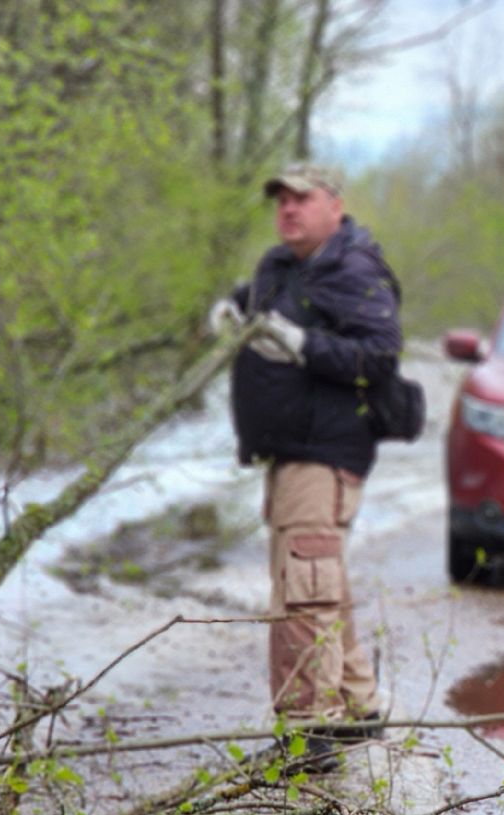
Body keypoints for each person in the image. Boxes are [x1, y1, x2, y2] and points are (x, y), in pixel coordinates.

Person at [207, 162, 402, 762]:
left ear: (334, 206)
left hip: (326, 452)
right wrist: (233, 309)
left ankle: (308, 732)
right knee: (319, 582)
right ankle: (355, 704)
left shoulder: (354, 268)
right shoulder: (283, 265)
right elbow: (262, 303)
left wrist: (300, 344)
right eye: (282, 201)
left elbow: (379, 355)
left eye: (302, 199)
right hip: (291, 455)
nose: (288, 210)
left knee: (303, 592)